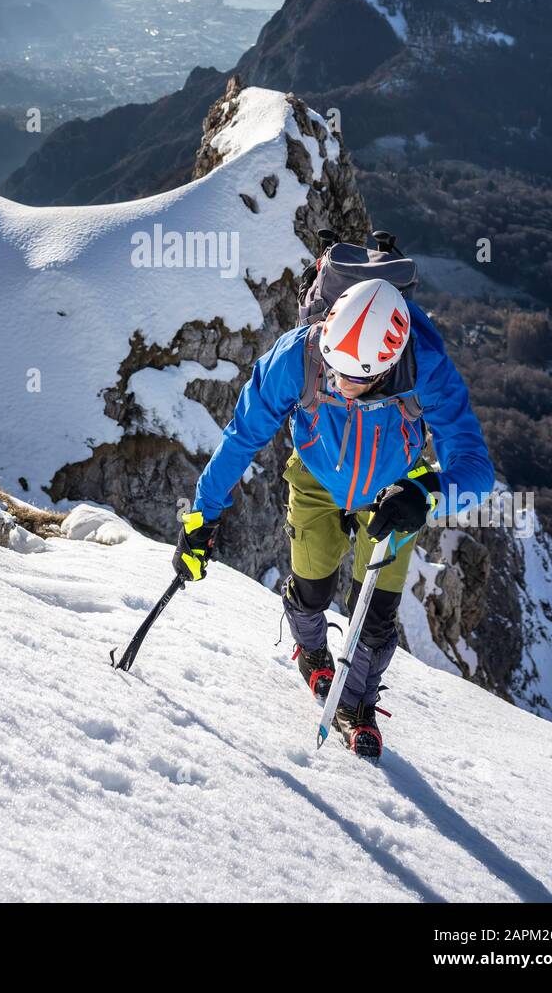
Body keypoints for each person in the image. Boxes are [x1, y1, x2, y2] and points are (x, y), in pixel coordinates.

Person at [173, 277, 494, 759]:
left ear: (386, 367)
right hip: (317, 477)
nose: (339, 385)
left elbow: (475, 469)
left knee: (377, 614)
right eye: (333, 369)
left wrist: (425, 492)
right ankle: (314, 655)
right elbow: (243, 435)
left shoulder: (425, 367)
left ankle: (357, 705)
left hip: (394, 493)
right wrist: (202, 517)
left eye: (355, 378)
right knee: (310, 592)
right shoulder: (299, 356)